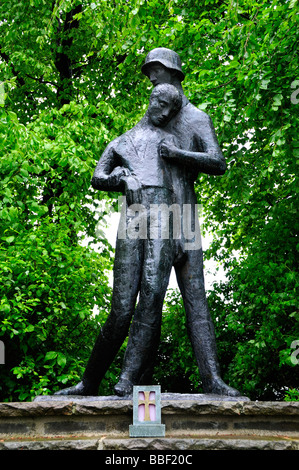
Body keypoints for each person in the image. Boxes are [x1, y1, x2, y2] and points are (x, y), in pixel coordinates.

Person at [115, 48, 240, 397]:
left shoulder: (196, 118)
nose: (151, 78)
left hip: (184, 217)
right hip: (152, 218)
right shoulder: (152, 118)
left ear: (173, 73)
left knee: (196, 299)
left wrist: (181, 155)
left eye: (155, 71)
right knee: (149, 296)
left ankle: (212, 380)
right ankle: (131, 380)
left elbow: (217, 162)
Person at [55, 83, 184, 396]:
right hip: (134, 216)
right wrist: (122, 177)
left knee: (153, 294)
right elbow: (97, 177)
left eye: (172, 110)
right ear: (152, 99)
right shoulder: (121, 143)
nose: (166, 113)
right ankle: (88, 382)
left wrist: (180, 231)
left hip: (165, 215)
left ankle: (128, 377)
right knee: (122, 306)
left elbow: (181, 186)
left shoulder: (173, 142)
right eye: (162, 104)